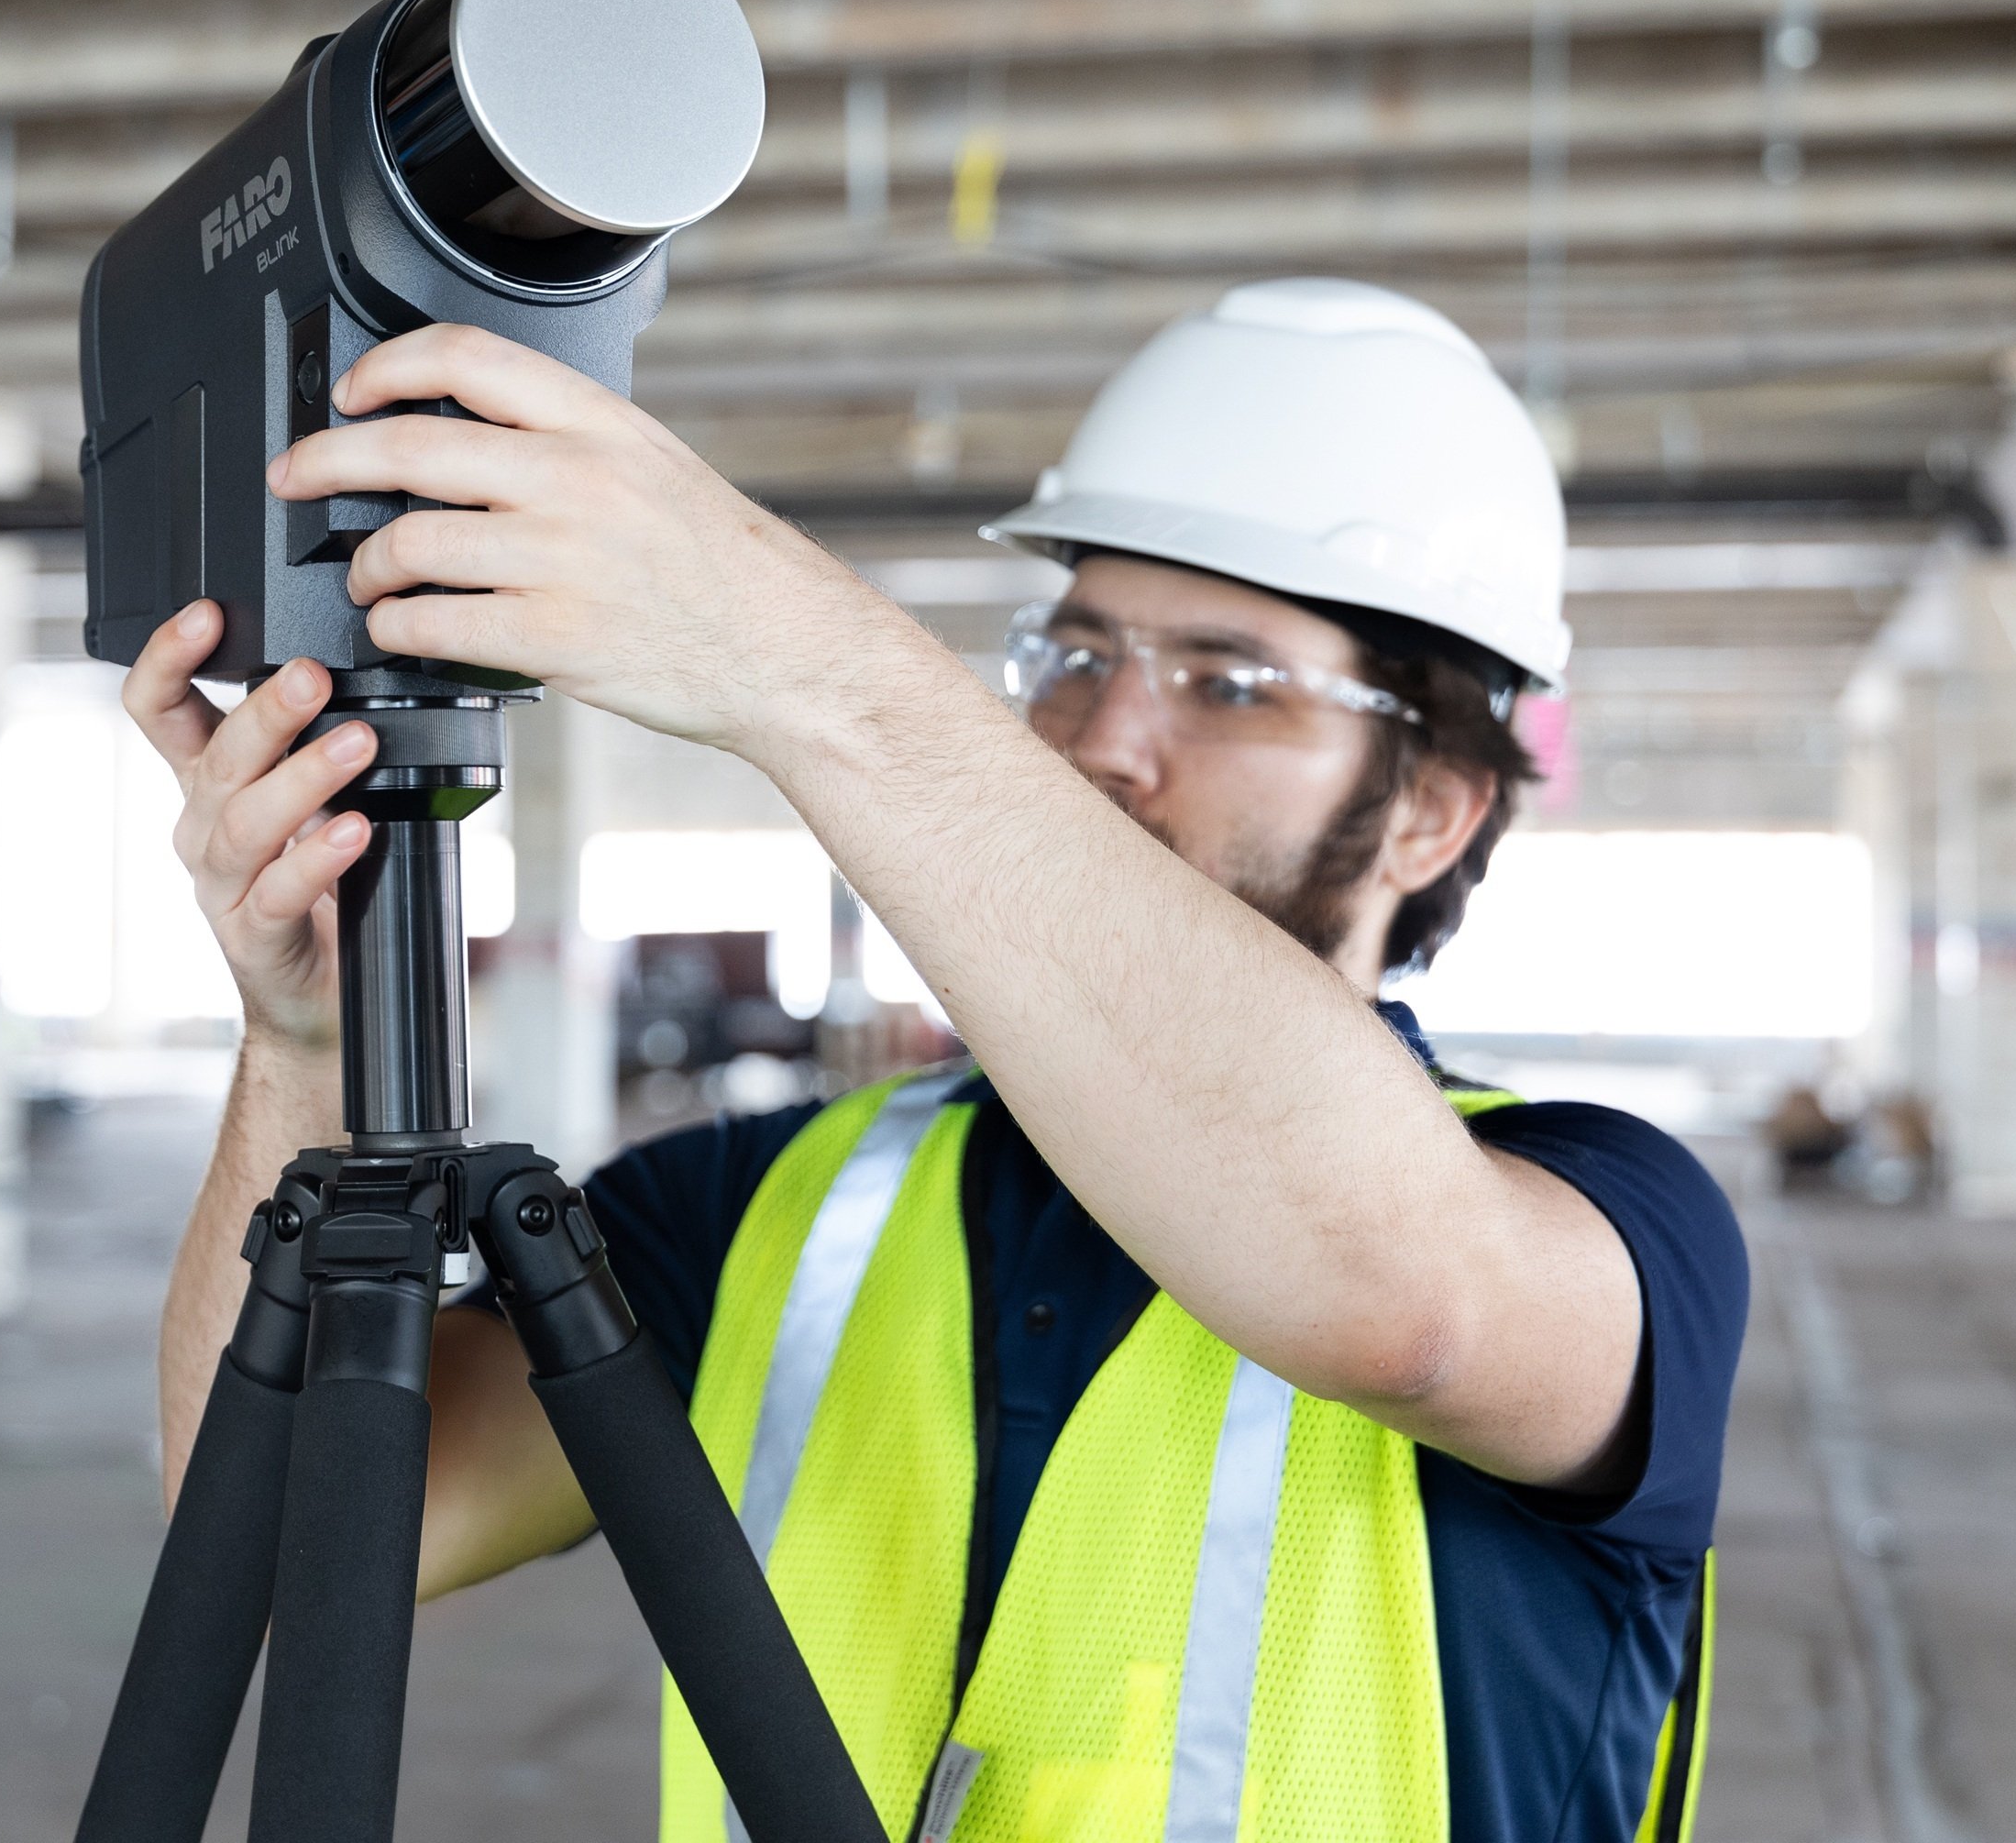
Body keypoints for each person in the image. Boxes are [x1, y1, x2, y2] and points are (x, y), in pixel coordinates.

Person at [125, 279, 1748, 1843]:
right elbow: (267, 1532)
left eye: (1231, 683)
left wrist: (792, 657)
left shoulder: (1607, 1222)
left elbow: (1404, 1302)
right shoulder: (769, 1206)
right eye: (1081, 655)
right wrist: (311, 1048)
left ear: (1434, 809)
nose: (1110, 732)